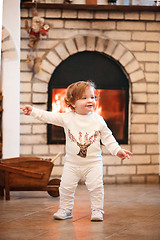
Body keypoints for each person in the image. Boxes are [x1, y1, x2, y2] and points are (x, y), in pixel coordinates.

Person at [21, 81, 132, 221]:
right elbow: (49, 116)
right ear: (72, 103)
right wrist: (33, 111)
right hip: (71, 164)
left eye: (92, 97)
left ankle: (97, 210)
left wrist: (117, 150)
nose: (90, 100)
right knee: (65, 188)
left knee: (96, 187)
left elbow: (108, 138)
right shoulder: (67, 118)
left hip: (93, 163)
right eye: (84, 98)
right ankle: (65, 209)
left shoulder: (98, 120)